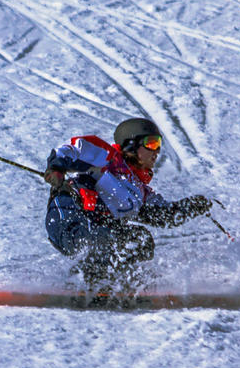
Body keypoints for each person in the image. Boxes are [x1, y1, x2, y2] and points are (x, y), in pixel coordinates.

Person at [43, 117, 212, 286]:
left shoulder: (139, 190)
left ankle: (117, 282)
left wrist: (191, 207)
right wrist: (56, 168)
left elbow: (164, 214)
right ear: (131, 143)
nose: (157, 151)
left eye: (159, 144)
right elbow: (71, 149)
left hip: (97, 229)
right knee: (104, 238)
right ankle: (85, 281)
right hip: (68, 216)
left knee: (141, 239)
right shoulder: (107, 158)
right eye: (151, 143)